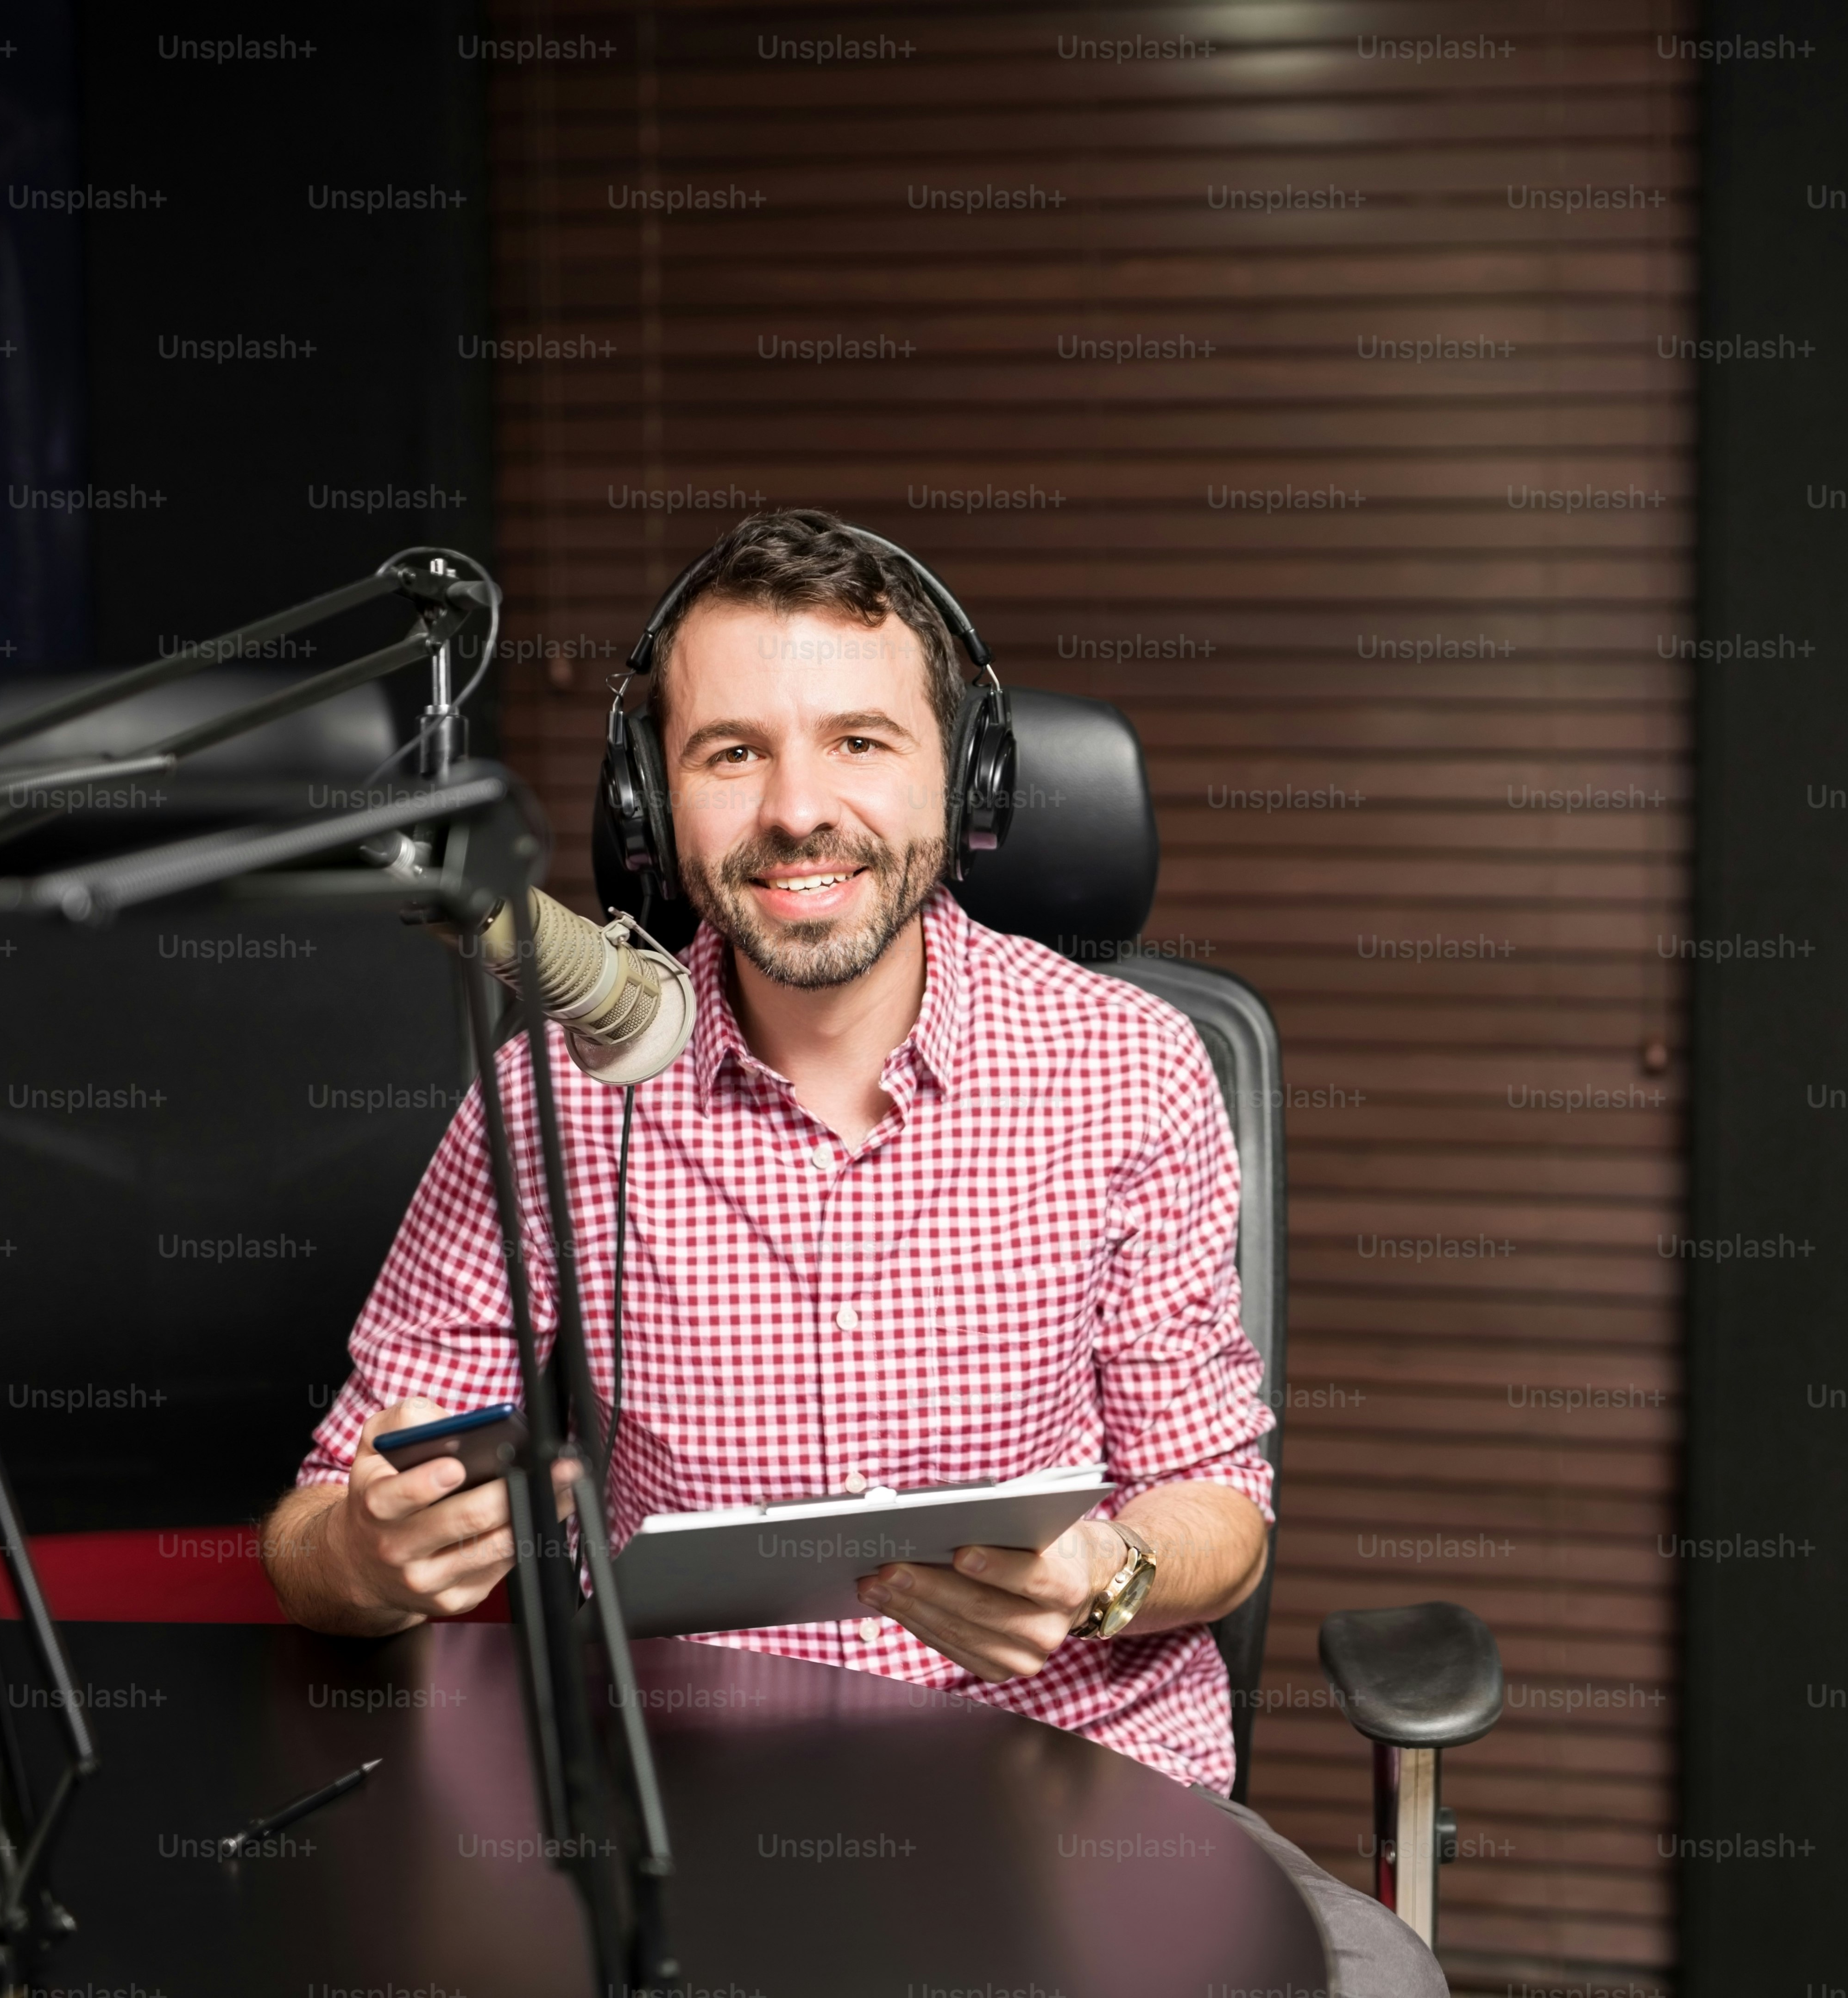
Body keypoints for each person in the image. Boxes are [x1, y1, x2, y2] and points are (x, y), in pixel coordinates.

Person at [260, 510, 1441, 1994]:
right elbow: (315, 1536)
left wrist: (1109, 1575)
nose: (797, 810)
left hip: (1081, 1802)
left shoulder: (1127, 1067)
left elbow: (1220, 1506)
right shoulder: (553, 1089)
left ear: (967, 782)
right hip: (695, 1820)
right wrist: (370, 1554)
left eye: (861, 742)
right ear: (650, 804)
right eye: (731, 752)